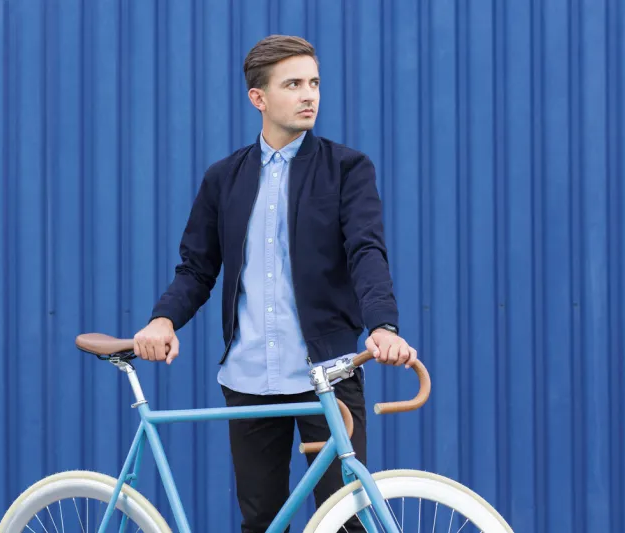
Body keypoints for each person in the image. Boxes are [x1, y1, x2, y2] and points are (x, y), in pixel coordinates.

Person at [132, 34, 417, 533]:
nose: (309, 95)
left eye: (314, 83)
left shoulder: (347, 169)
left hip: (327, 374)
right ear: (258, 97)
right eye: (293, 84)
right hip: (247, 380)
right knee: (263, 521)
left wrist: (383, 325)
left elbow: (366, 252)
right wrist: (163, 319)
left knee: (349, 520)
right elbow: (197, 267)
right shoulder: (224, 178)